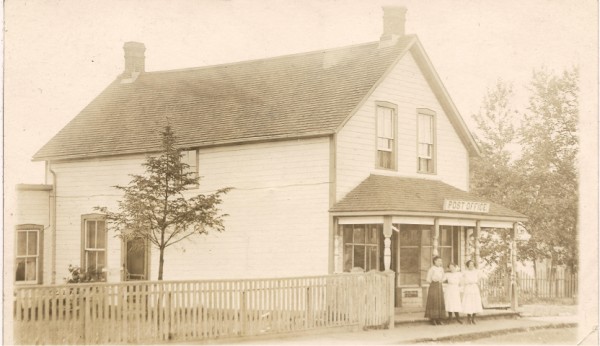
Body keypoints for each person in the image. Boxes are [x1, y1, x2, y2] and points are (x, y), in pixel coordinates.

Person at [425, 256, 446, 325]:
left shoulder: (441, 269)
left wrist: (441, 280)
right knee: (434, 301)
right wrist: (434, 281)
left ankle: (439, 319)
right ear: (435, 261)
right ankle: (433, 319)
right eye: (439, 261)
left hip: (440, 286)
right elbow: (428, 279)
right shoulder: (432, 269)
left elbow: (444, 277)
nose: (440, 262)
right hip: (433, 286)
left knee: (439, 301)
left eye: (441, 261)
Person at [461, 260, 483, 324]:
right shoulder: (465, 272)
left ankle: (473, 318)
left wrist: (477, 280)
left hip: (474, 288)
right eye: (470, 264)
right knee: (468, 302)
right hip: (468, 288)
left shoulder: (476, 272)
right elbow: (461, 280)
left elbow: (482, 277)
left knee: (475, 302)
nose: (471, 266)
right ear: (467, 265)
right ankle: (469, 318)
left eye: (472, 264)